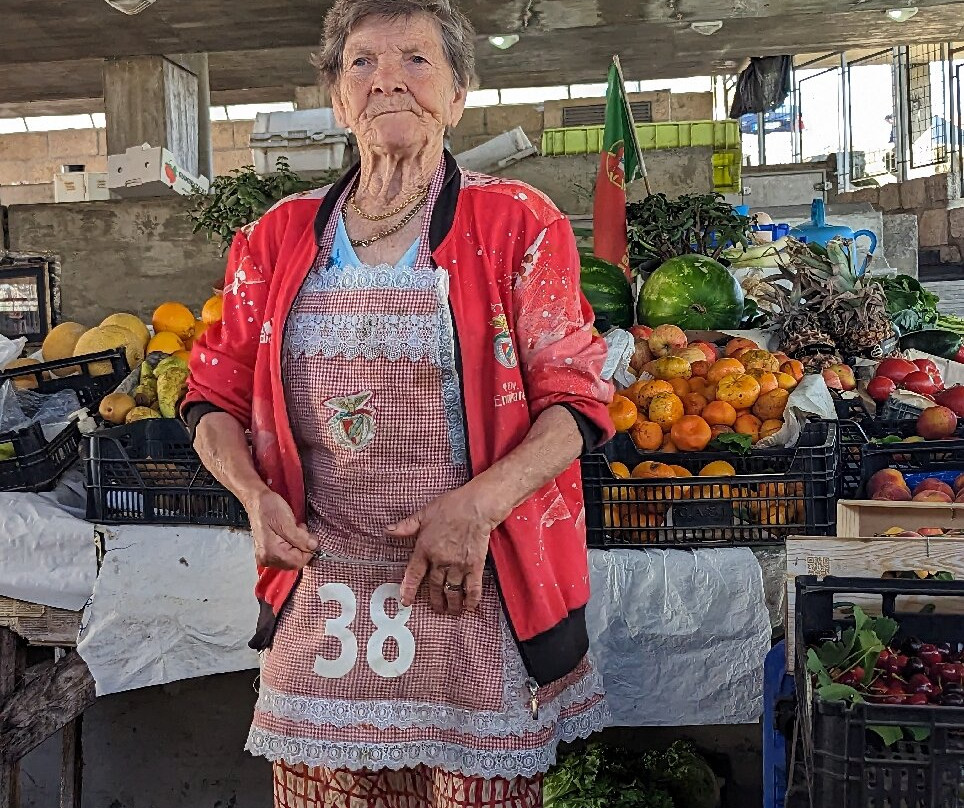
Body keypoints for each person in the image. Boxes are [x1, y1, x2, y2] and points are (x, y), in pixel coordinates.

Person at [182, 1, 614, 805]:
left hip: (473, 585)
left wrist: (477, 508)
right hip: (324, 592)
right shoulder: (273, 238)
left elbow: (577, 401)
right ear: (338, 101)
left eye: (417, 60)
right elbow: (211, 395)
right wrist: (252, 494)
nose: (388, 80)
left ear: (458, 96)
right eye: (362, 63)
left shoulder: (518, 222)